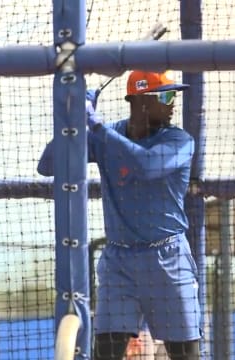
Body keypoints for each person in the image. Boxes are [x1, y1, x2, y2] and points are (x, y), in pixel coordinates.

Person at [37, 70, 201, 360]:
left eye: (173, 94)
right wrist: (74, 120)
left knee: (184, 354)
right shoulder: (108, 136)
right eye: (165, 95)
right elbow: (49, 163)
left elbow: (147, 166)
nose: (172, 102)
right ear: (140, 102)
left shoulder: (179, 140)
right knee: (106, 353)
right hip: (119, 261)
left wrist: (97, 126)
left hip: (168, 257)